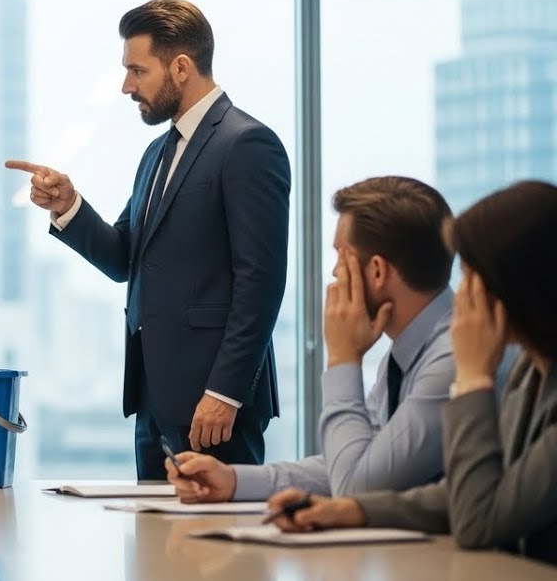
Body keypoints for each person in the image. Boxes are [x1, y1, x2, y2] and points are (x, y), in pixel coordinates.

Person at [7, 0, 290, 479]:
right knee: (155, 551)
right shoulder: (157, 153)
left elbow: (261, 283)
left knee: (217, 551)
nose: (126, 86)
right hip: (153, 402)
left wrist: (225, 393)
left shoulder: (247, 145)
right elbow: (125, 258)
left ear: (181, 67)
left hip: (215, 407)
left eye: (137, 70)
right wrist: (68, 206)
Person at [266, 181, 557, 566]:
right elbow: (465, 491)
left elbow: (478, 519)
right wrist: (354, 510)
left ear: (518, 286)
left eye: (472, 276)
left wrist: (471, 377)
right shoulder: (528, 371)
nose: (463, 294)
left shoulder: (466, 363)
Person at [166, 177, 456, 501]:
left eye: (340, 257)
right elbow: (351, 464)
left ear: (377, 271)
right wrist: (234, 481)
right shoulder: (409, 353)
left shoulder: (450, 362)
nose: (334, 273)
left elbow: (354, 488)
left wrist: (343, 358)